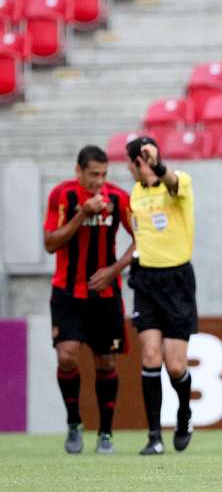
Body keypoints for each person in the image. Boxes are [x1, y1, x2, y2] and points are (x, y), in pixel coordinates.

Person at [44, 145, 135, 454]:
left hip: (105, 294)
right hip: (68, 293)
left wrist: (113, 270)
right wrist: (82, 214)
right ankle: (73, 423)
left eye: (104, 174)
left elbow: (143, 240)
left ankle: (105, 433)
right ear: (78, 172)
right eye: (93, 175)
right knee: (67, 356)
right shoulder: (62, 196)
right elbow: (50, 243)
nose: (99, 182)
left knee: (105, 361)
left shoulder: (119, 198)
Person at [125, 136, 197, 455]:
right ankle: (154, 436)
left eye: (139, 162)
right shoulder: (135, 194)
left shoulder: (179, 181)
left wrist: (157, 166)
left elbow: (169, 182)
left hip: (177, 281)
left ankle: (184, 414)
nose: (134, 169)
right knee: (151, 356)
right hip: (146, 281)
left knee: (176, 365)